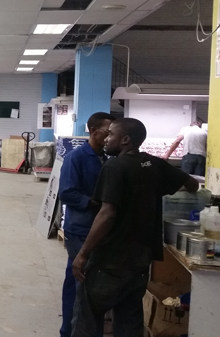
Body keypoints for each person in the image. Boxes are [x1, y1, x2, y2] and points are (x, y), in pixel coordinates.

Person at [71, 118, 198, 337]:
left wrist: (83, 254)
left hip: (110, 260)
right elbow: (192, 183)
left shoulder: (115, 166)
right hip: (140, 261)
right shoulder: (154, 164)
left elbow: (107, 214)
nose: (106, 139)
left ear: (125, 140)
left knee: (87, 318)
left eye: (111, 134)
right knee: (129, 321)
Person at [58, 112, 115, 337]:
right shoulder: (76, 158)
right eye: (107, 132)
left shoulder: (106, 159)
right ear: (93, 131)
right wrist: (97, 204)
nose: (110, 137)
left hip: (98, 229)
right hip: (80, 229)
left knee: (79, 282)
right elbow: (66, 192)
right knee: (82, 285)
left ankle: (72, 331)